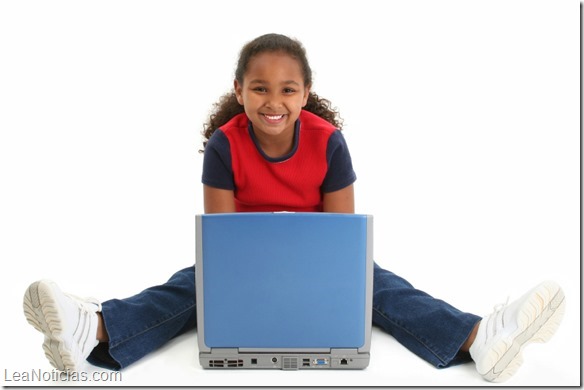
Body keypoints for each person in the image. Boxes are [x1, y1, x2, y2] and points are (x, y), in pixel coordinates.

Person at [22, 33, 566, 383]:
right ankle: (93, 329)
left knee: (379, 285)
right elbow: (220, 241)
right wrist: (247, 276)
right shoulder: (224, 145)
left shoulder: (329, 143)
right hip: (243, 263)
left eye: (286, 89)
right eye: (259, 89)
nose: (272, 102)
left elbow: (342, 242)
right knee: (192, 285)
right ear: (240, 91)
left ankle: (480, 338)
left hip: (318, 265)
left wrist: (324, 280)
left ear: (306, 93)